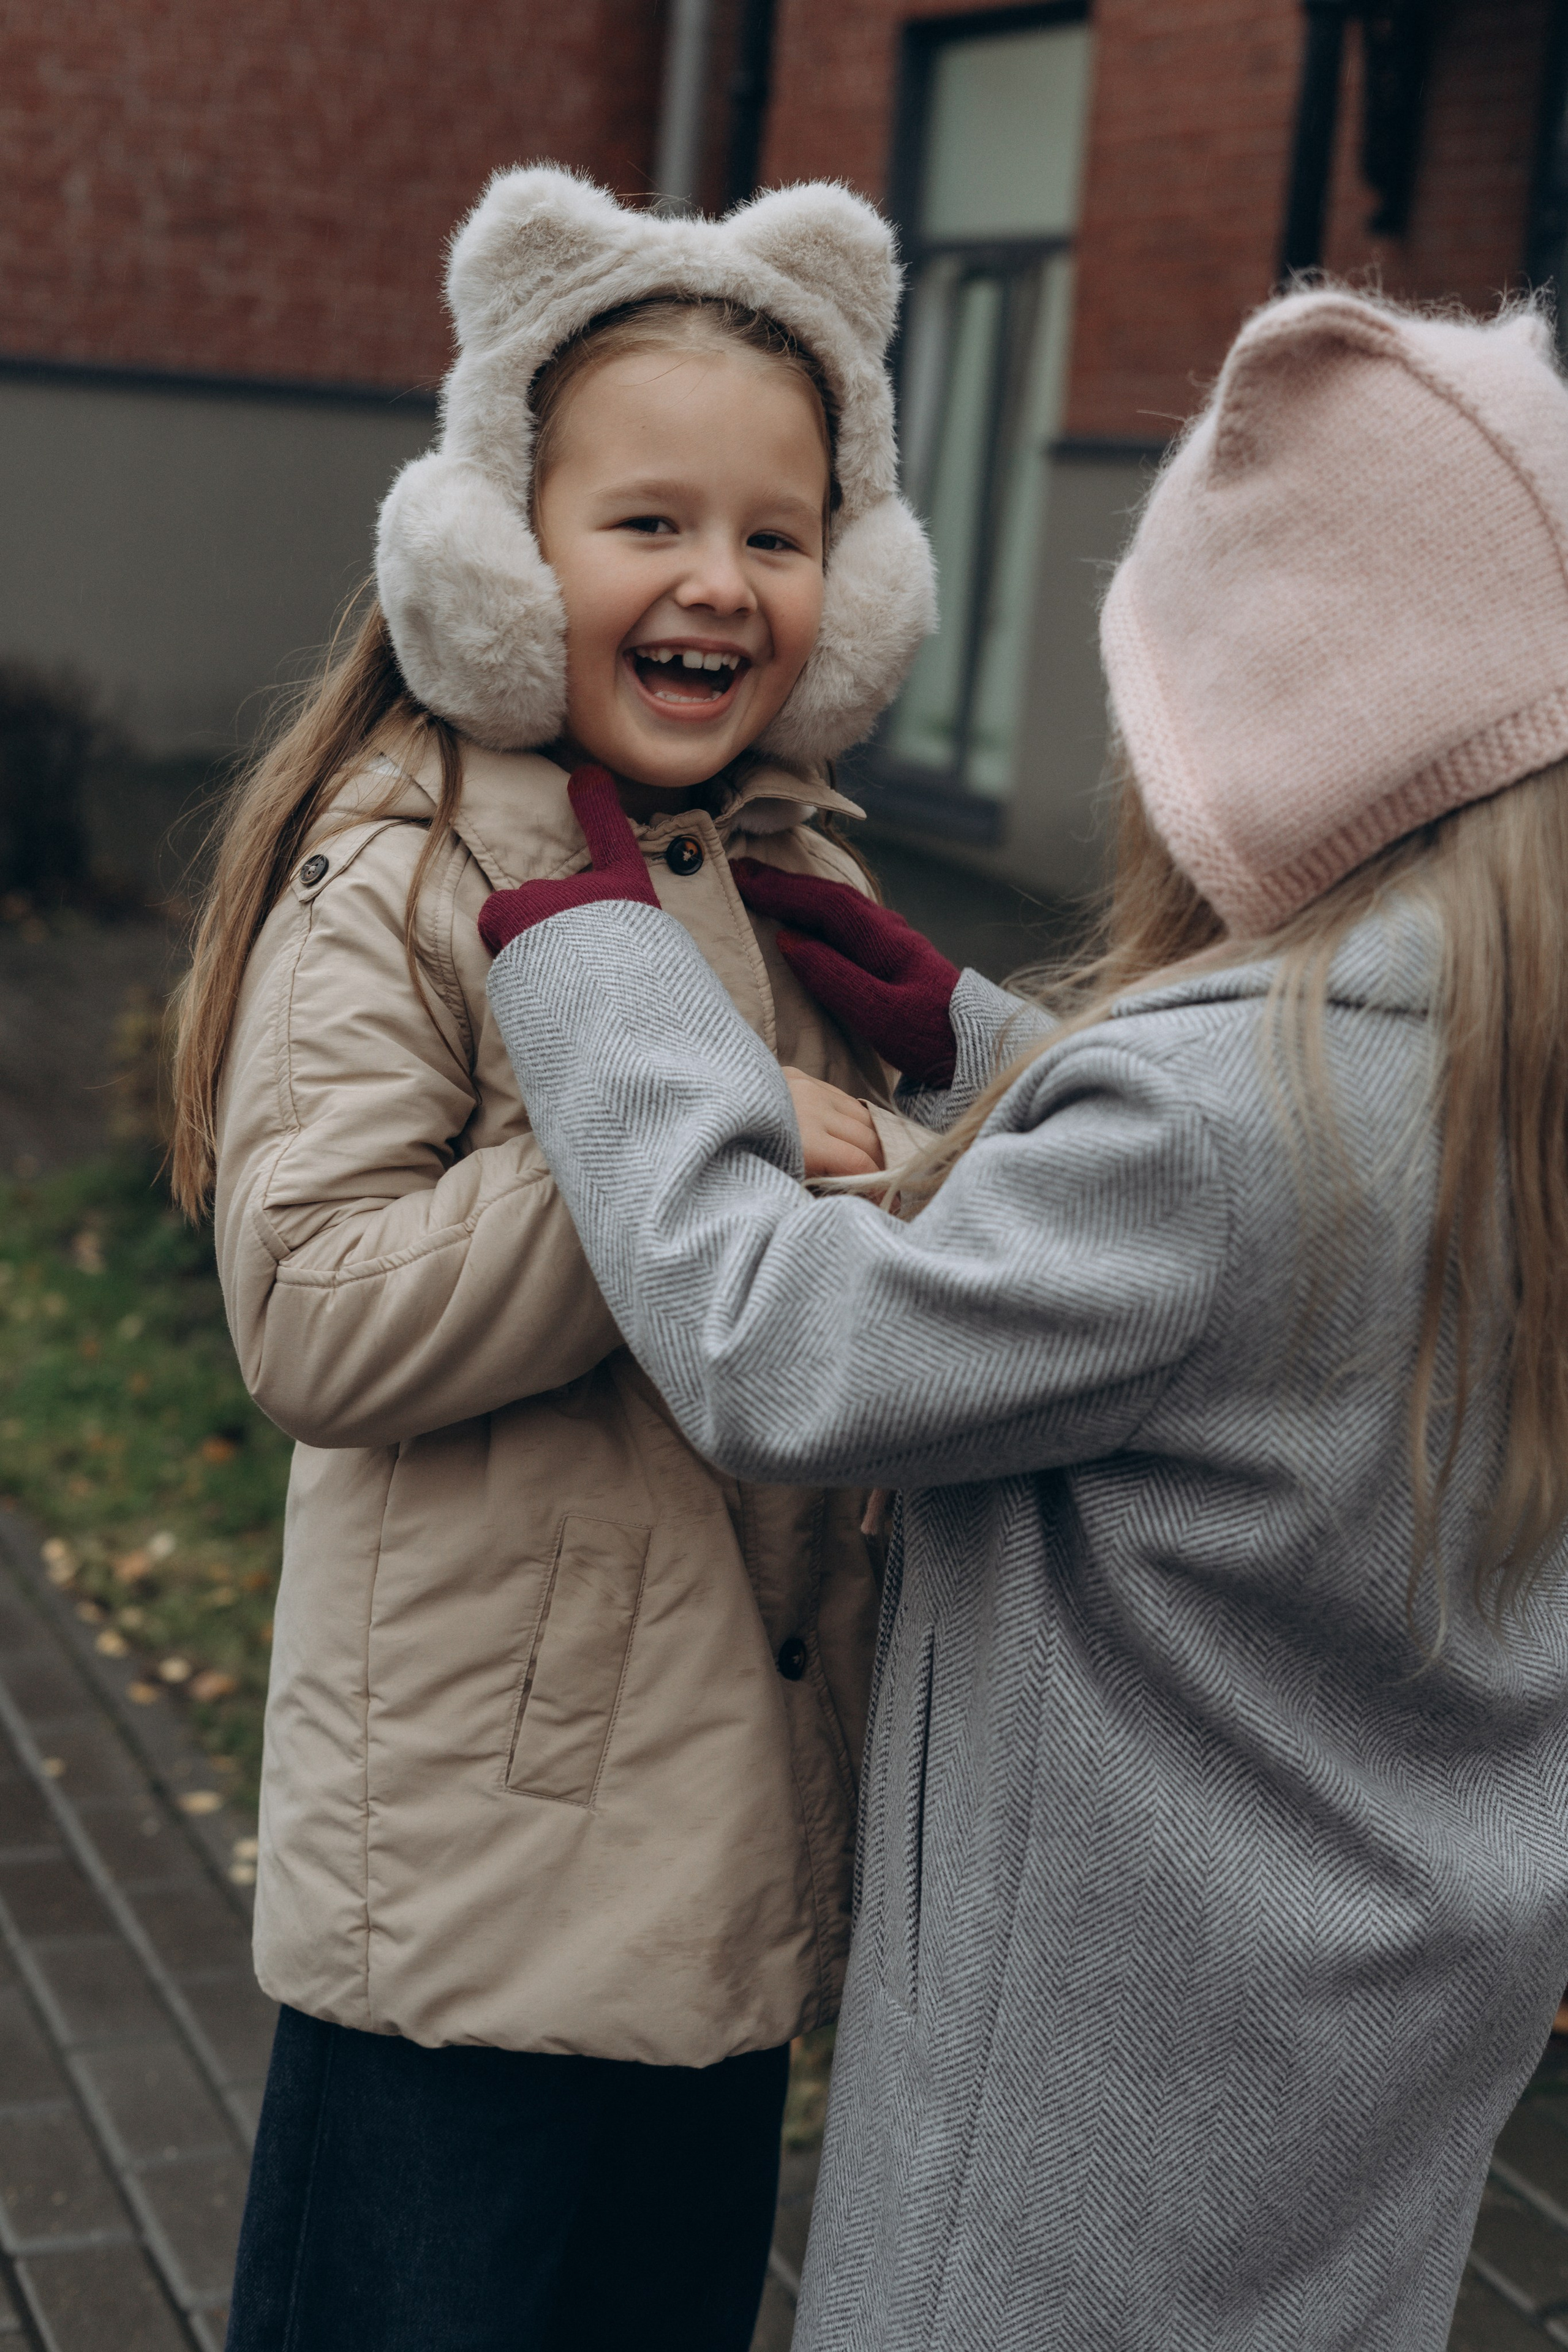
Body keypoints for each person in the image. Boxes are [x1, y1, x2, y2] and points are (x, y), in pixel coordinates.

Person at [478, 287, 1568, 2350]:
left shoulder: (1221, 1132)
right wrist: (977, 1036)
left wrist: (596, 954)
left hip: (1092, 2139)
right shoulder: (1500, 1092)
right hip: (1371, 2073)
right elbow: (1238, 1254)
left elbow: (771, 1339)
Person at [170, 165, 937, 2350]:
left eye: (776, 537)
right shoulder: (409, 866)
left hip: (706, 1873)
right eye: (650, 524)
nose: (720, 584)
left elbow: (822, 1246)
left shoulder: (781, 885)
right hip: (473, 1909)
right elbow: (310, 1304)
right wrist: (675, 1151)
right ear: (505, 555)